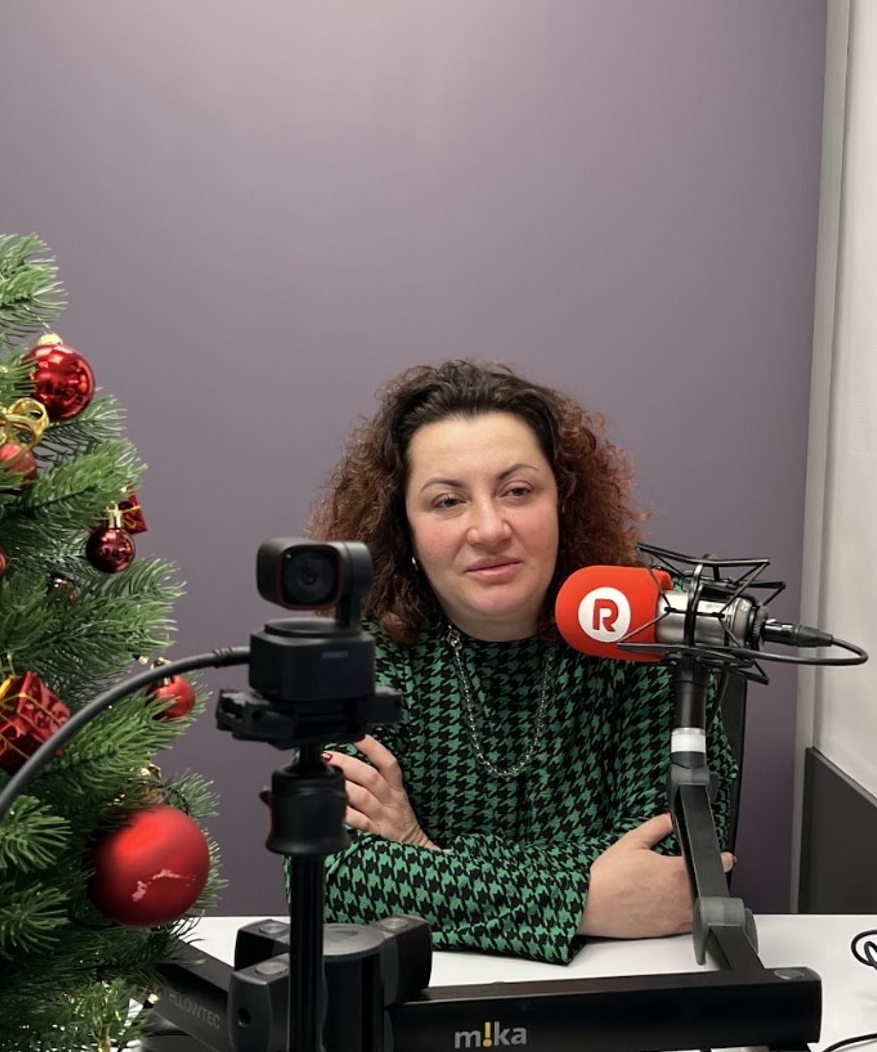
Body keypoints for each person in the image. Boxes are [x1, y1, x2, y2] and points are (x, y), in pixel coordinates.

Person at [307, 359, 737, 965]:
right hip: (429, 993)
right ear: (405, 529)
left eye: (517, 491)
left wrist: (420, 854)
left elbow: (673, 869)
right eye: (447, 501)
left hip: (618, 987)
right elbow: (326, 873)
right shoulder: (362, 657)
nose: (488, 529)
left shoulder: (644, 636)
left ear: (563, 503)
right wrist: (585, 898)